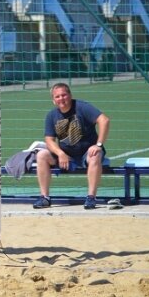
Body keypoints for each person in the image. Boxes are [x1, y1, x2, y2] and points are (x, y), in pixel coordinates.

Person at [33, 82, 110, 210]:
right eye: (57, 97)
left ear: (70, 95)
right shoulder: (51, 115)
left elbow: (104, 120)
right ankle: (45, 198)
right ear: (53, 100)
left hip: (87, 154)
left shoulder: (82, 107)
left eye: (64, 95)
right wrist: (60, 153)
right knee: (41, 155)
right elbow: (49, 140)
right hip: (66, 157)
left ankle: (91, 197)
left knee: (95, 155)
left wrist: (98, 145)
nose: (61, 99)